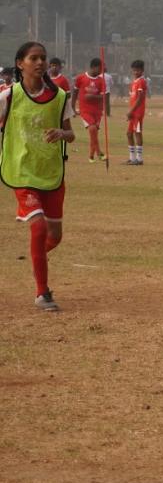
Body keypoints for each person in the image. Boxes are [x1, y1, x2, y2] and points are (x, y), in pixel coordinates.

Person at [0, 41, 75, 311]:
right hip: (22, 173)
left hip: (51, 173)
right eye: (34, 58)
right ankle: (43, 293)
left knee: (54, 236)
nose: (41, 63)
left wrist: (61, 134)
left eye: (43, 58)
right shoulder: (8, 96)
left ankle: (36, 258)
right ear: (21, 63)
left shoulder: (59, 97)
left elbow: (70, 133)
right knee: (39, 226)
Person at [74, 57, 107, 162]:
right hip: (85, 110)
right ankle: (99, 152)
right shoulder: (81, 78)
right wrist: (72, 107)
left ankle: (91, 156)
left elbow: (103, 97)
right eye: (100, 68)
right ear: (93, 67)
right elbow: (74, 93)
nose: (101, 71)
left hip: (97, 111)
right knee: (92, 129)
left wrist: (93, 97)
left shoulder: (101, 81)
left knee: (94, 132)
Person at [125, 59, 147, 165]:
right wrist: (129, 111)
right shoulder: (134, 82)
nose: (135, 72)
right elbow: (132, 98)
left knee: (137, 133)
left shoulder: (141, 81)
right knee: (129, 134)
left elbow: (139, 98)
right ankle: (132, 158)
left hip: (137, 112)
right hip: (132, 112)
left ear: (142, 70)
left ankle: (139, 159)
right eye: (134, 70)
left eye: (137, 70)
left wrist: (131, 111)